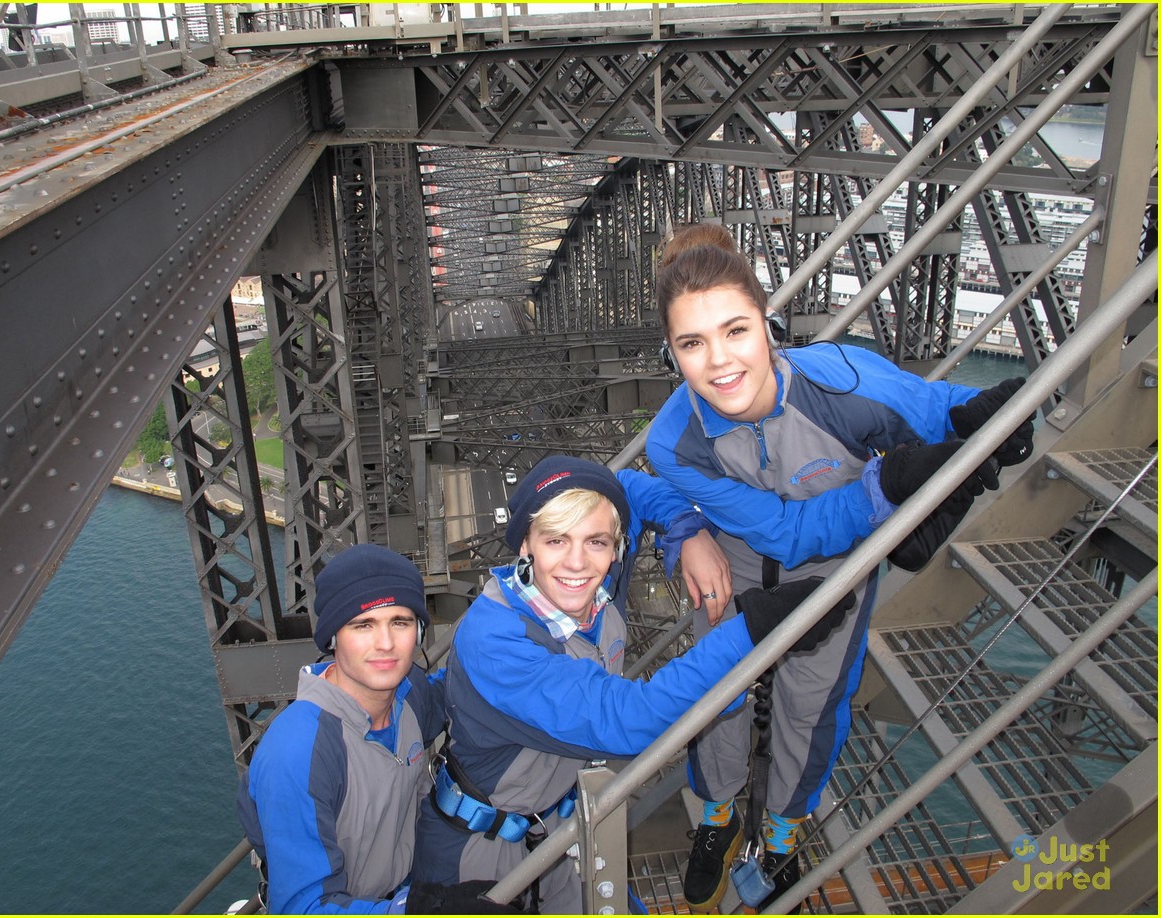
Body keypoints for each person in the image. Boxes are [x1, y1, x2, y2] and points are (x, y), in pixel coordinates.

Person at [646, 223, 1035, 911]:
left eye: (735, 330)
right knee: (718, 703)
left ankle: (782, 837)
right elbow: (788, 533)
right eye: (692, 342)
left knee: (811, 708)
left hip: (831, 583)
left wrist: (986, 415)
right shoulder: (673, 443)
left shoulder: (841, 381)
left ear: (768, 327)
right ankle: (718, 818)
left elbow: (929, 407)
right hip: (743, 572)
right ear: (673, 353)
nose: (719, 360)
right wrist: (884, 490)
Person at [410, 456, 853, 913]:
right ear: (526, 545)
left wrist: (688, 531)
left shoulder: (596, 590)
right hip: (473, 863)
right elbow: (629, 720)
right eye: (556, 540)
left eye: (596, 541)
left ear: (617, 545)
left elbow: (626, 484)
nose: (577, 562)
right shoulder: (496, 641)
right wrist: (749, 631)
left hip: (547, 836)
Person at [237, 543, 448, 914]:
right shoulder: (299, 750)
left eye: (399, 622)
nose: (385, 644)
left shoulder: (409, 695)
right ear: (333, 638)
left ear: (417, 631)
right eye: (363, 625)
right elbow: (303, 907)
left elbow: (460, 694)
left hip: (406, 888)